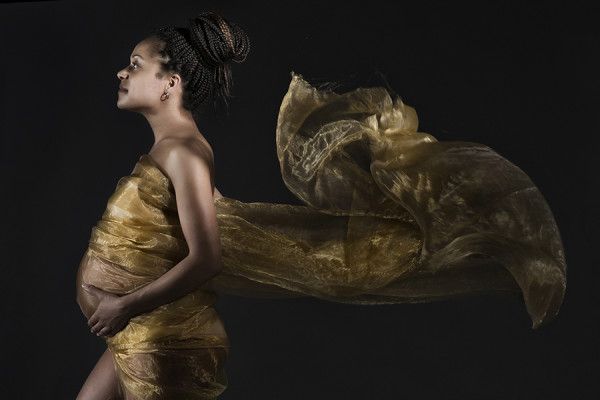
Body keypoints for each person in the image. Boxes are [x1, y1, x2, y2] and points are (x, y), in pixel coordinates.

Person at [76, 10, 567, 400]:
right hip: (139, 333)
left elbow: (207, 258)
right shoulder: (173, 151)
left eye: (135, 64)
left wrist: (125, 305)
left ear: (171, 83)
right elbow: (203, 228)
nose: (122, 71)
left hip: (162, 340)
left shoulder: (184, 153)